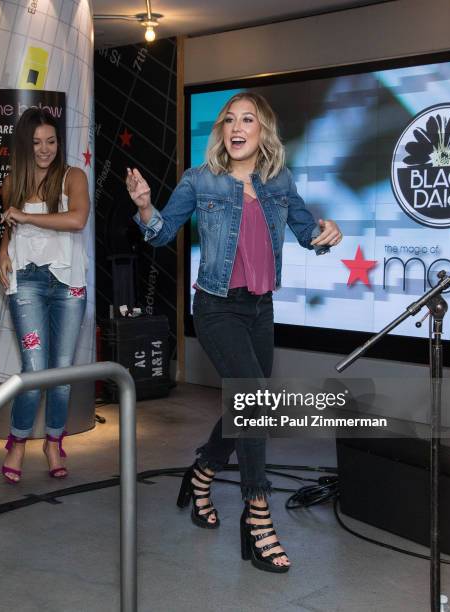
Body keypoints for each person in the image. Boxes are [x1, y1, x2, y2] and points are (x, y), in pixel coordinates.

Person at [127, 92, 342, 573]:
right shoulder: (200, 181)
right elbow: (161, 234)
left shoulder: (279, 182)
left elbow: (309, 234)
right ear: (222, 131)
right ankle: (258, 515)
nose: (237, 127)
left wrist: (329, 233)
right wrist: (144, 207)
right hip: (216, 307)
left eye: (248, 119)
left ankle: (201, 473)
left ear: (263, 131)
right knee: (255, 406)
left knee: (244, 407)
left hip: (260, 310)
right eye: (229, 120)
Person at [0, 108, 89, 483]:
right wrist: (3, 249)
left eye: (51, 141)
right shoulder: (12, 180)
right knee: (34, 370)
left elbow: (77, 219)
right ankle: (17, 442)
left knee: (61, 373)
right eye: (36, 142)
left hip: (69, 284)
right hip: (27, 283)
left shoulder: (73, 176)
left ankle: (54, 441)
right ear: (24, 144)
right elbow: (9, 226)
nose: (45, 149)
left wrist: (26, 217)